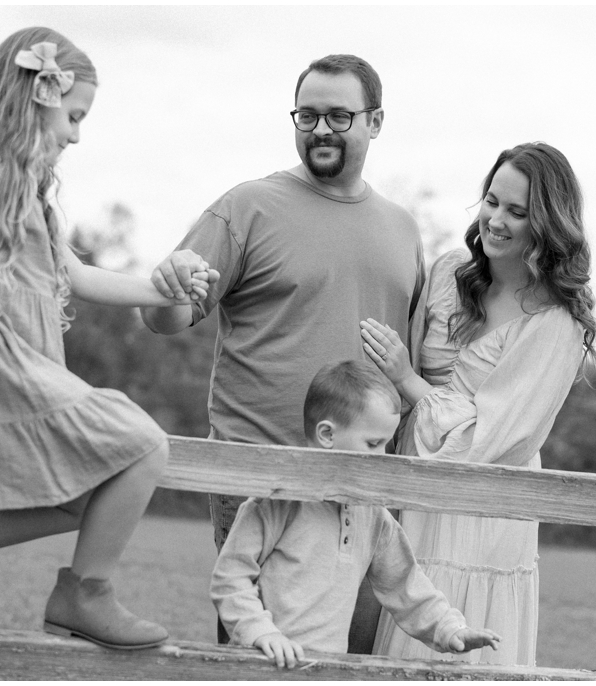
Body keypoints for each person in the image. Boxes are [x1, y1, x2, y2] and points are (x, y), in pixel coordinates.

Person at [0, 27, 217, 650]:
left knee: (80, 491)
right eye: (73, 115)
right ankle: (85, 592)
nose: (76, 134)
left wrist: (164, 291)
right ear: (36, 98)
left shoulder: (29, 190)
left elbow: (80, 277)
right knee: (142, 443)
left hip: (31, 366)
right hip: (0, 369)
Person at [141, 54, 426, 651]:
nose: (321, 128)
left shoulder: (403, 229)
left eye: (340, 116)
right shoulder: (248, 207)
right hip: (260, 478)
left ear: (375, 122)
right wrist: (165, 286)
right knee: (261, 660)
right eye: (309, 114)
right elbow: (164, 317)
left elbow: (411, 360)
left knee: (353, 661)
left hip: (363, 488)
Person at [360, 142, 596, 666]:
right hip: (414, 480)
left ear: (547, 225)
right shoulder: (451, 272)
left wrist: (405, 377)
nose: (495, 220)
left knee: (460, 649)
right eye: (492, 201)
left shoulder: (555, 325)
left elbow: (486, 441)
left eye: (516, 212)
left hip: (485, 508)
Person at [209, 360, 501, 668]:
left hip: (325, 670)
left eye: (385, 445)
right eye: (373, 444)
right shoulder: (276, 503)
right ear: (326, 434)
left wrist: (447, 627)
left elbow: (405, 583)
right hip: (263, 666)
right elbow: (230, 577)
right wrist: (261, 632)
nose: (382, 457)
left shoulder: (373, 515)